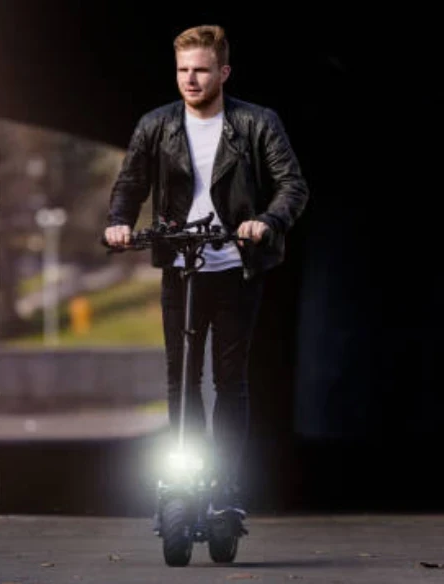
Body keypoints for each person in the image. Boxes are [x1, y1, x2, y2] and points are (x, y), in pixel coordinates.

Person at [104, 24, 310, 521]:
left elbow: (292, 185)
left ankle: (226, 485)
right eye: (182, 70)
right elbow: (129, 183)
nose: (190, 80)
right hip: (181, 265)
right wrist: (119, 223)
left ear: (223, 72)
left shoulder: (257, 123)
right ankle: (181, 477)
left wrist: (266, 220)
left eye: (200, 70)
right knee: (182, 378)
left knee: (230, 380)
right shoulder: (156, 124)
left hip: (236, 266)